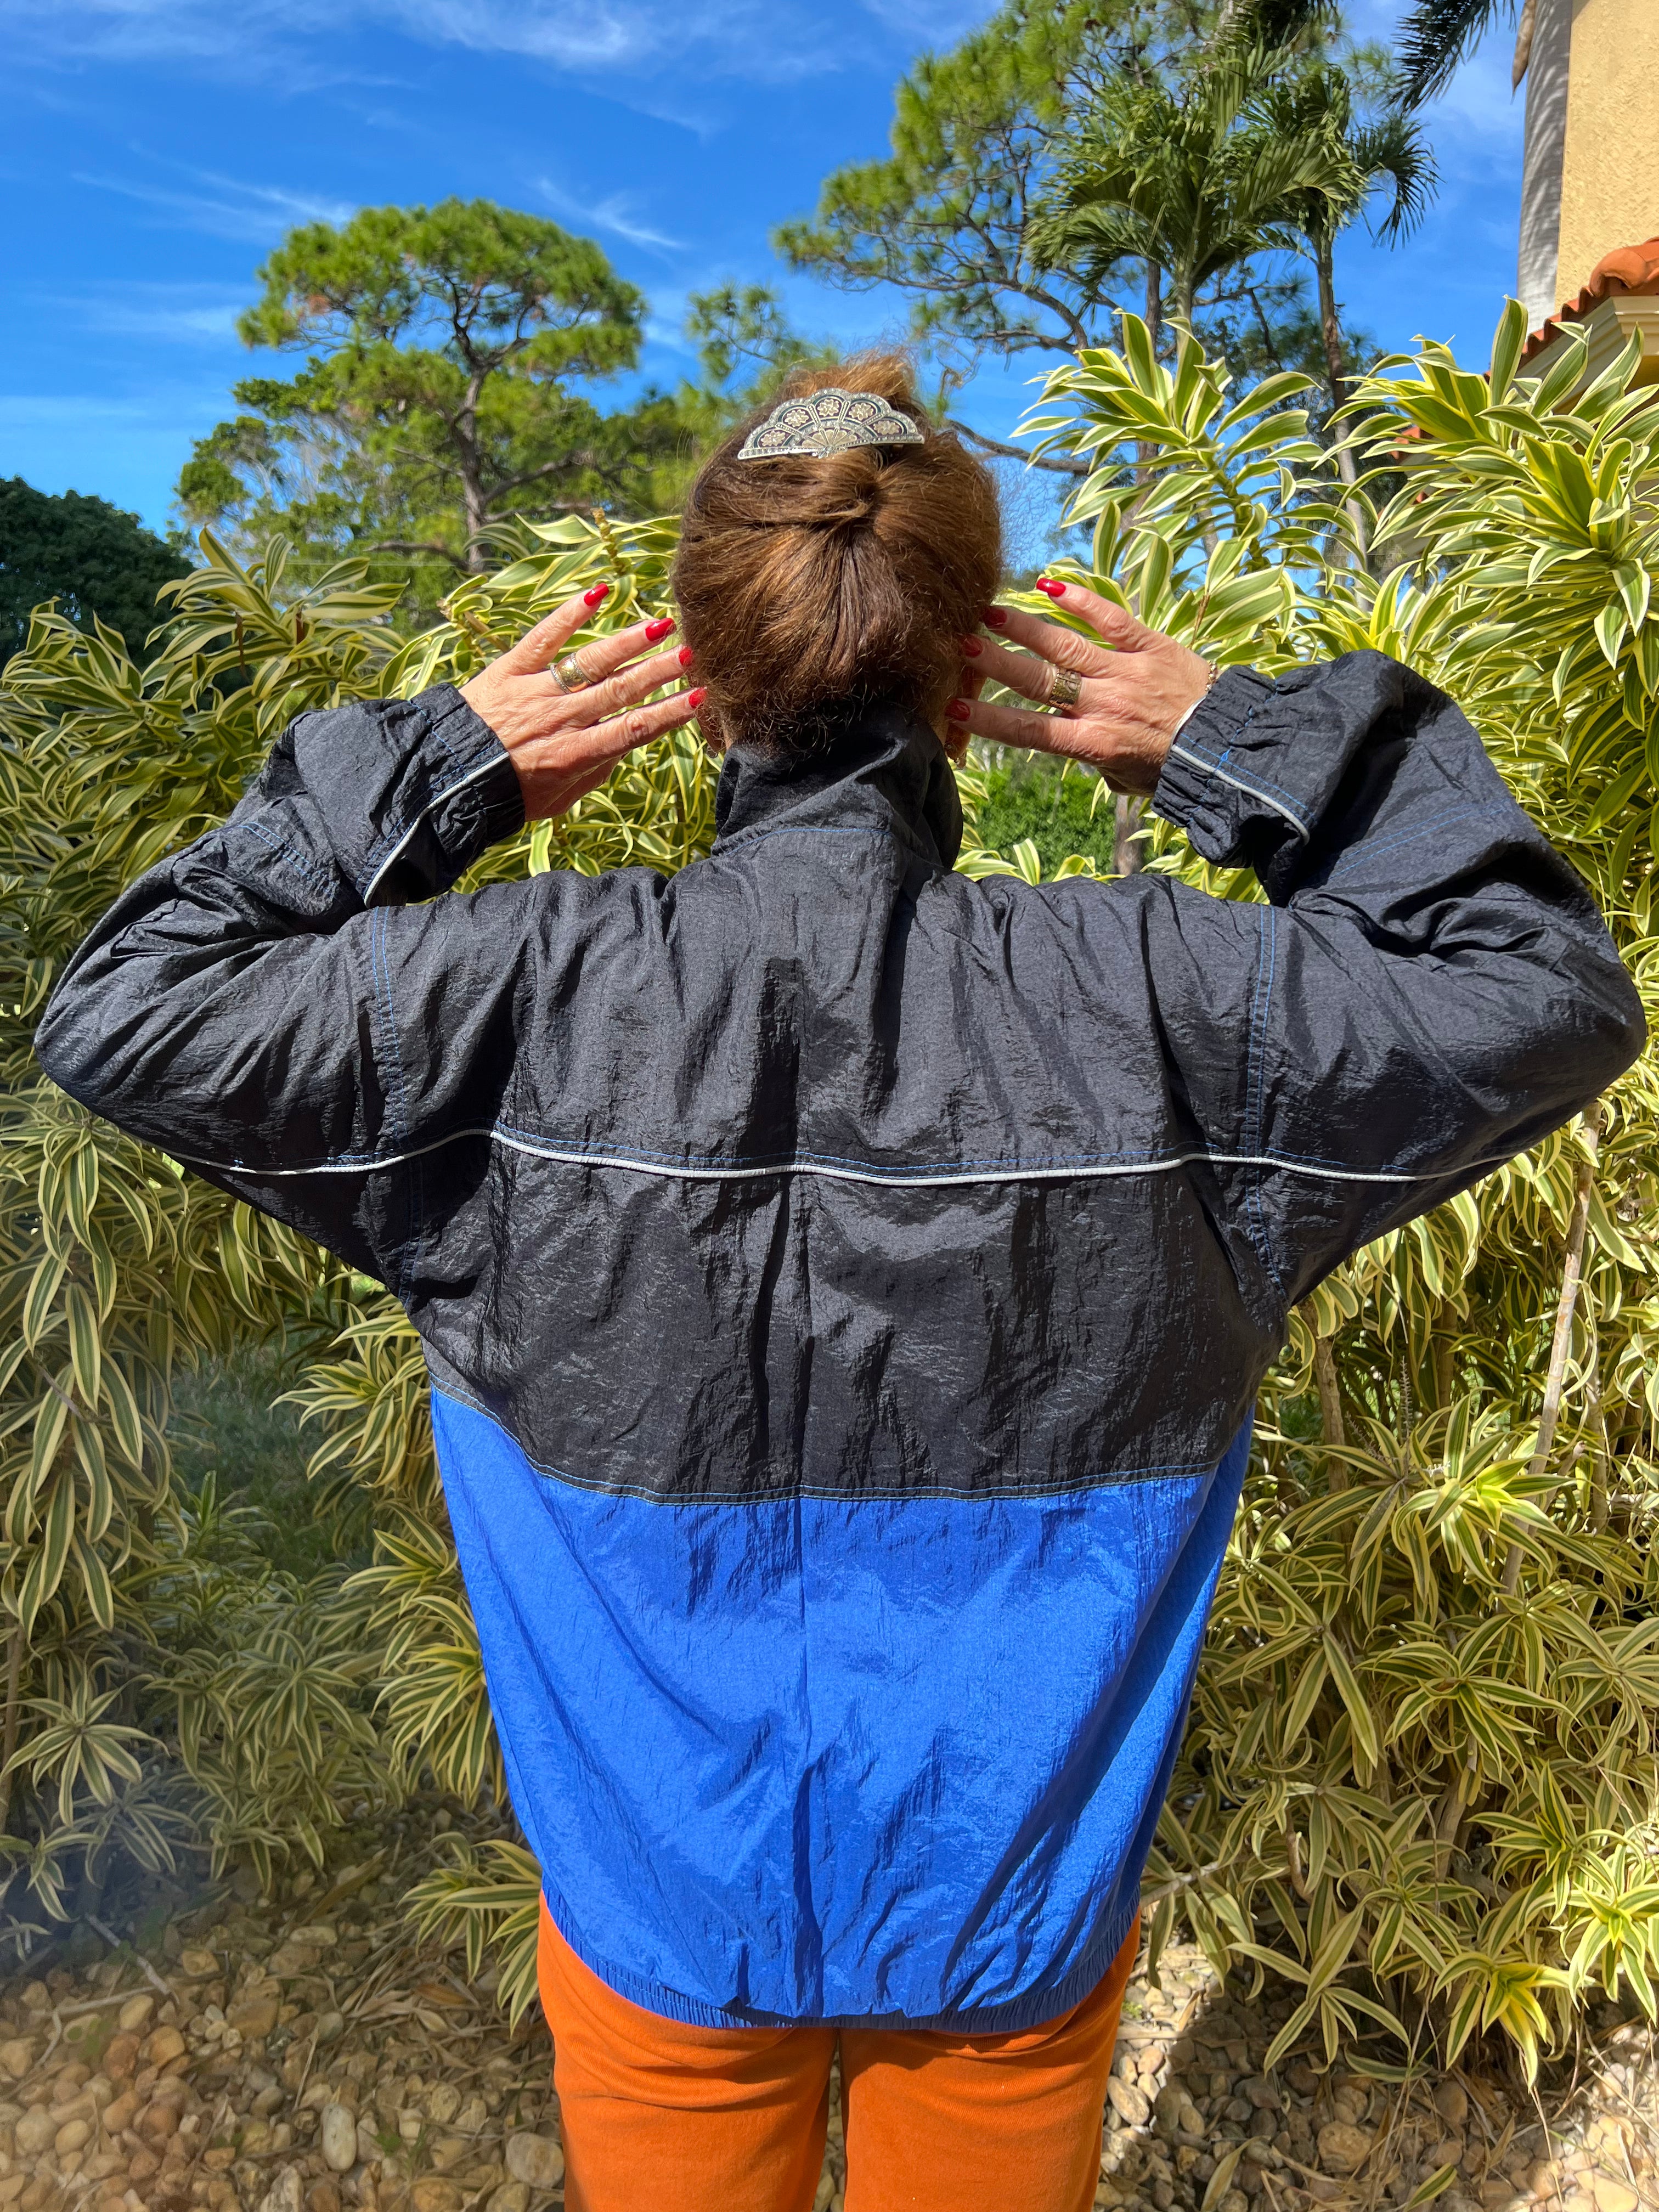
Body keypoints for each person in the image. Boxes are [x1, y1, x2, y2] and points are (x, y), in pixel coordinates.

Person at [36, 353, 1643, 2212]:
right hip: (1009, 1920)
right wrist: (1236, 742)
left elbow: (128, 1004)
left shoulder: (517, 998)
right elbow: (1537, 988)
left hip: (659, 1910)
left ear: (705, 687)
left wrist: (445, 767)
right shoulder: (1160, 1005)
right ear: (969, 692)